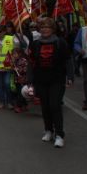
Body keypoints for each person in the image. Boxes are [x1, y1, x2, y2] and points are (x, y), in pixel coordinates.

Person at [28, 17, 74, 148]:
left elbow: (68, 60)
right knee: (45, 106)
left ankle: (59, 135)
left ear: (52, 29)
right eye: (42, 27)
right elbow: (31, 63)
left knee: (55, 105)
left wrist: (70, 76)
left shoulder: (61, 43)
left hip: (57, 79)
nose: (44, 29)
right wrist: (30, 79)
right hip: (41, 80)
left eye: (47, 27)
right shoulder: (35, 44)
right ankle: (48, 130)